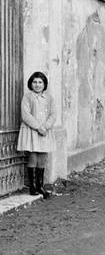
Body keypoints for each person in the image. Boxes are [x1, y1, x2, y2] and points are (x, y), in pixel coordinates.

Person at [16, 71, 56, 199]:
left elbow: (53, 114)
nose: (37, 85)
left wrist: (45, 127)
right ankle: (32, 186)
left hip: (45, 131)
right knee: (33, 156)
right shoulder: (27, 97)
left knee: (43, 157)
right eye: (35, 82)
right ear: (31, 83)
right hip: (32, 130)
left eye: (40, 82)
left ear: (44, 84)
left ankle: (40, 186)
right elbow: (26, 115)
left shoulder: (49, 98)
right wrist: (38, 127)